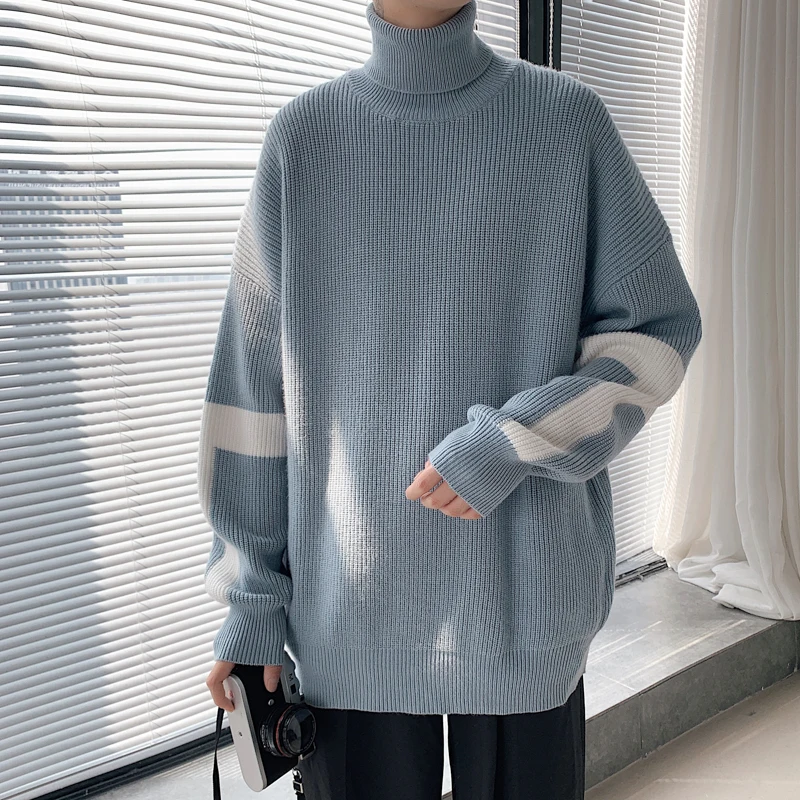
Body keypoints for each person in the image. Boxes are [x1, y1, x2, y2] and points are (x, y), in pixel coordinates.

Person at [199, 1, 703, 798]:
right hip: (349, 616)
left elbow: (657, 333)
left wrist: (515, 439)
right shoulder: (304, 140)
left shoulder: (566, 122)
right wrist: (251, 596)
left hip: (523, 602)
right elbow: (253, 399)